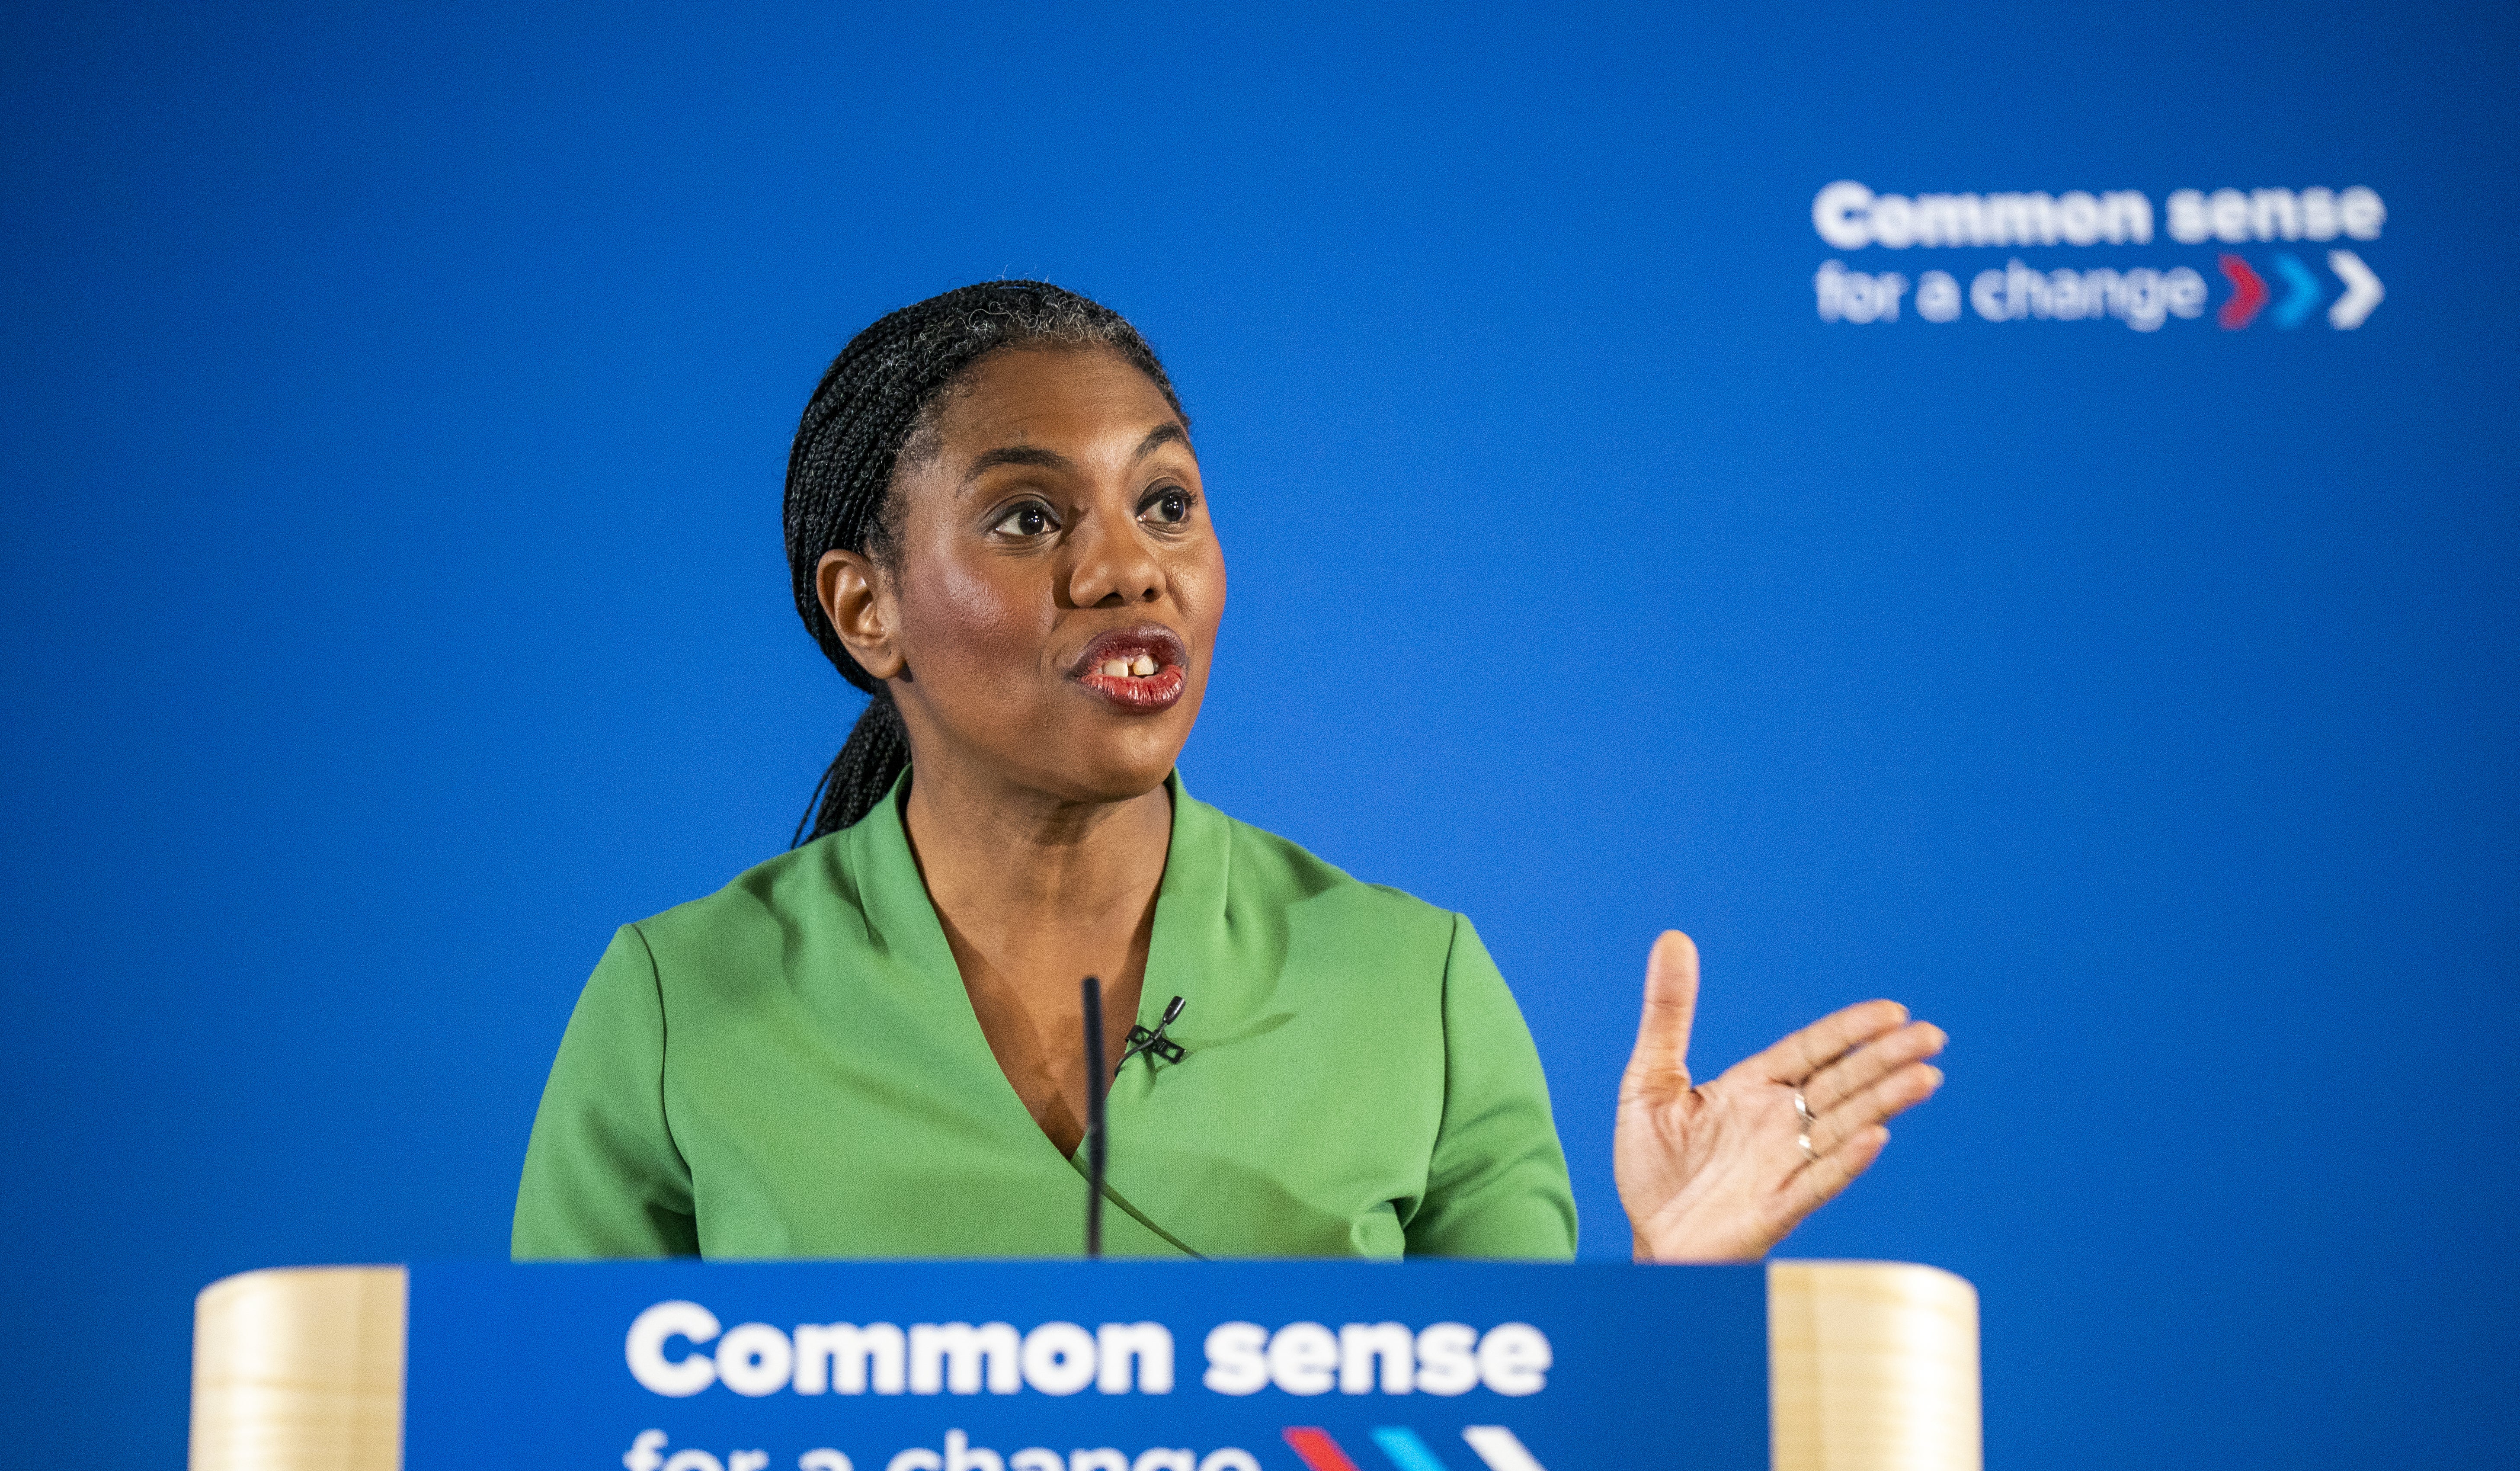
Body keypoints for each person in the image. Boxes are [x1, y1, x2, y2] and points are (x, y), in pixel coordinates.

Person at [511, 282, 1945, 1263]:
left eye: (1166, 502)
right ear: (863, 609)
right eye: (1025, 517)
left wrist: (1658, 1294)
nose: (1127, 565)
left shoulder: (1415, 986)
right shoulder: (676, 1003)